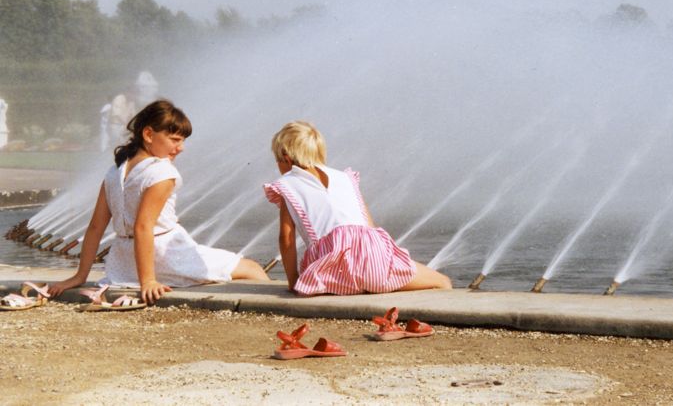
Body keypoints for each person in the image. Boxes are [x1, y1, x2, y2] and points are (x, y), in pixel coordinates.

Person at [50, 100, 267, 303]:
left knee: (233, 269)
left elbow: (96, 227)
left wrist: (80, 276)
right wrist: (148, 281)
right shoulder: (161, 172)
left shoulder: (114, 172)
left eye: (182, 140)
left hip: (123, 265)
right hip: (167, 256)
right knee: (252, 269)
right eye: (175, 139)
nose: (180, 147)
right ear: (148, 134)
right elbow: (144, 226)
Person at [264, 121, 451, 295]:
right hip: (375, 264)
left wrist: (293, 281)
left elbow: (286, 238)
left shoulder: (287, 185)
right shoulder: (345, 178)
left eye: (277, 160)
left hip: (330, 272)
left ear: (287, 159)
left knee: (335, 279)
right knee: (442, 281)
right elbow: (369, 227)